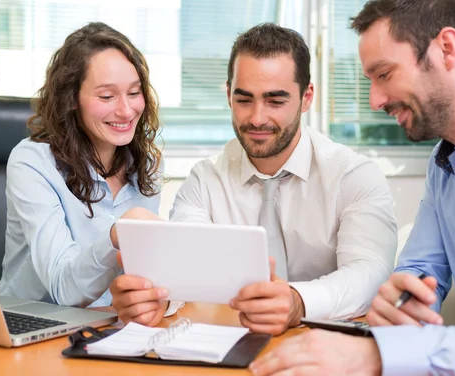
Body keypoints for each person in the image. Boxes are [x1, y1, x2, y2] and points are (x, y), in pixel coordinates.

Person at [249, 0, 455, 375]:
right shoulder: (444, 165)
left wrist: (376, 356)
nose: (375, 101)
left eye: (385, 74)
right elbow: (417, 273)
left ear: (447, 48)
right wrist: (400, 301)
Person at [110, 23, 398, 334]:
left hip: (327, 348)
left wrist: (297, 301)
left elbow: (370, 273)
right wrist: (158, 300)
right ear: (228, 94)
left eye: (275, 101)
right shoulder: (205, 180)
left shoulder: (354, 177)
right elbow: (185, 272)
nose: (257, 118)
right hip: (231, 347)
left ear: (306, 97)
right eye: (244, 100)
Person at [0, 22, 176, 324]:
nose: (126, 110)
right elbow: (63, 291)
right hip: (28, 326)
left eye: (134, 93)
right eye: (107, 97)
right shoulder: (32, 162)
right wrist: (119, 232)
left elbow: (143, 273)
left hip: (107, 324)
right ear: (71, 99)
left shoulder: (146, 166)